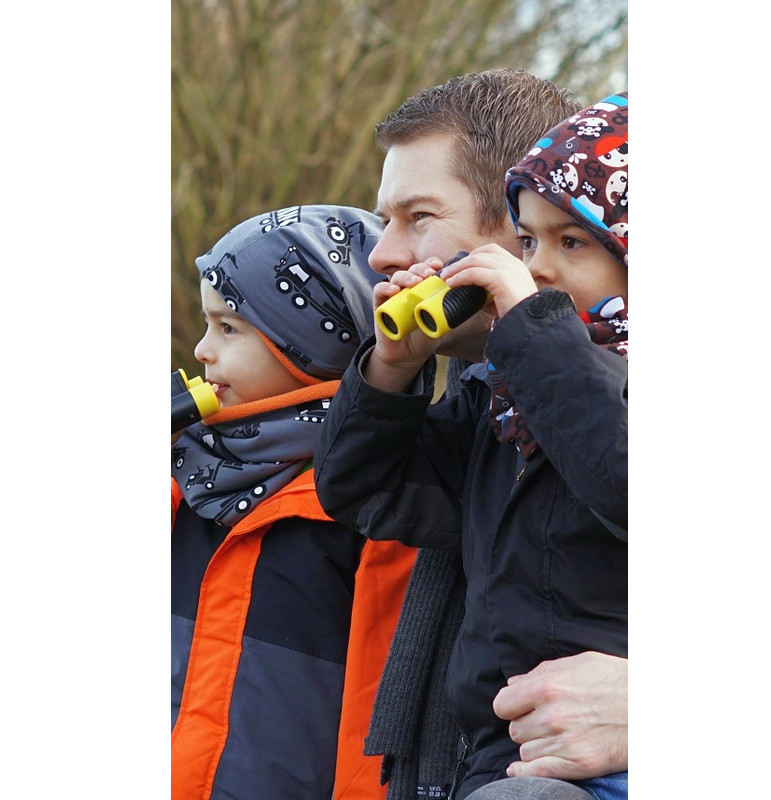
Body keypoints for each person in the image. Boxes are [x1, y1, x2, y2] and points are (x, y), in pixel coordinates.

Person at [316, 89, 628, 800]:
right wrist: (391, 368)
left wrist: (530, 329)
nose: (382, 254)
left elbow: (620, 474)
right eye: (530, 242)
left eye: (418, 217)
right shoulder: (499, 398)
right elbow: (366, 490)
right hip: (499, 761)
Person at [170, 203, 416, 800]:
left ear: (309, 344)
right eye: (206, 325)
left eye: (228, 328)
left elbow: (374, 719)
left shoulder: (375, 506)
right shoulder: (186, 475)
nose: (201, 350)